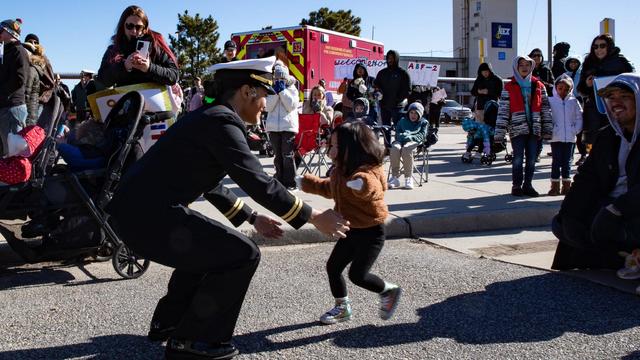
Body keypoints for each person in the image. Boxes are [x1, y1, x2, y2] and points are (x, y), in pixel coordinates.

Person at [106, 56, 350, 359]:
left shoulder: (210, 116)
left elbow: (209, 183)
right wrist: (313, 216)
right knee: (242, 254)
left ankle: (169, 324)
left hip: (139, 214)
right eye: (262, 96)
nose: (264, 105)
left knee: (204, 247)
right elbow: (258, 181)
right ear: (246, 91)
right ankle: (195, 341)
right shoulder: (222, 121)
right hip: (147, 217)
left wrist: (252, 217)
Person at [297, 121, 401, 325]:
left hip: (372, 232)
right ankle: (342, 307)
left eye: (335, 145)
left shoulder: (369, 169)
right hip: (350, 228)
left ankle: (389, 290)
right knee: (333, 267)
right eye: (331, 144)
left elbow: (374, 189)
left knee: (358, 275)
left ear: (351, 148)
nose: (330, 148)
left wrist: (361, 185)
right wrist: (308, 183)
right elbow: (330, 189)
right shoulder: (340, 170)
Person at [551, 74, 640, 292]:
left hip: (632, 209)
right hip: (612, 207)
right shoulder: (607, 136)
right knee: (564, 224)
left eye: (625, 96)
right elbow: (587, 178)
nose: (616, 103)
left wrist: (616, 209)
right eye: (611, 97)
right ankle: (622, 257)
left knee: (617, 226)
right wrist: (570, 213)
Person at [495, 55, 552, 197]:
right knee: (518, 158)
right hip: (517, 129)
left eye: (528, 65)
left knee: (532, 159)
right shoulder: (509, 87)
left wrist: (548, 129)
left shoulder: (539, 85)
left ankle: (528, 185)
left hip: (535, 129)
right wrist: (499, 133)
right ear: (516, 67)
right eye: (521, 65)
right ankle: (516, 185)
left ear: (532, 67)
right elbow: (503, 111)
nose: (525, 67)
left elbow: (545, 108)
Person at [97, 5, 178, 88]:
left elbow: (174, 76)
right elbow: (102, 80)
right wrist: (125, 66)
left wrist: (149, 68)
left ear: (144, 28)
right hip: (126, 99)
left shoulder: (156, 44)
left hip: (152, 99)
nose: (134, 31)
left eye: (138, 27)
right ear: (123, 26)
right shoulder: (114, 49)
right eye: (130, 26)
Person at [577, 33, 634, 150]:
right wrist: (587, 84)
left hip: (618, 106)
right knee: (596, 144)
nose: (599, 49)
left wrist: (618, 83)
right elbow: (580, 89)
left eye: (602, 46)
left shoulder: (621, 60)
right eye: (595, 47)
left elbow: (633, 81)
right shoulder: (588, 62)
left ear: (609, 46)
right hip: (596, 108)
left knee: (618, 140)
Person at [265, 60, 299, 189]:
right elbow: (268, 107)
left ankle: (291, 182)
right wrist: (275, 92)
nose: (279, 80)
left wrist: (283, 91)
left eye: (281, 78)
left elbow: (290, 106)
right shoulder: (270, 89)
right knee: (277, 155)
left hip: (288, 126)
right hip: (274, 127)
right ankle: (279, 179)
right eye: (276, 78)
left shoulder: (292, 88)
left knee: (287, 155)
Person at [547, 75, 583, 196]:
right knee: (556, 162)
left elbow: (579, 117)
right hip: (556, 137)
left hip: (570, 138)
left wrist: (576, 130)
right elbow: (547, 117)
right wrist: (552, 129)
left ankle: (566, 186)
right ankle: (554, 187)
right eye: (560, 88)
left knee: (567, 162)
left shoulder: (573, 102)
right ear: (556, 88)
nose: (563, 91)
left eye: (566, 89)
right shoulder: (551, 101)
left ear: (570, 89)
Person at [0, 18, 29, 157]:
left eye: (1, 30)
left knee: (15, 150)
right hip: (5, 106)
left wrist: (3, 92)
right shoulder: (6, 52)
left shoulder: (18, 51)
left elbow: (20, 79)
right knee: (6, 149)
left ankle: (17, 177)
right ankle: (8, 176)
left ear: (10, 32)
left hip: (13, 107)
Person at [374, 50, 411, 146]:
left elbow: (408, 90)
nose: (390, 60)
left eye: (392, 58)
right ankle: (387, 148)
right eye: (388, 58)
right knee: (385, 128)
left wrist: (398, 99)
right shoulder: (382, 73)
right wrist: (377, 91)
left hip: (398, 107)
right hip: (384, 105)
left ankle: (399, 146)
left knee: (399, 128)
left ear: (396, 59)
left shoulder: (403, 73)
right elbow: (376, 85)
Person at [388, 102, 428, 189]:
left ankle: (408, 178)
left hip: (414, 142)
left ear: (420, 114)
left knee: (407, 149)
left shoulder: (423, 122)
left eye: (416, 113)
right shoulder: (402, 121)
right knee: (394, 148)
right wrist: (403, 137)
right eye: (411, 112)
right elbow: (398, 134)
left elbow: (422, 135)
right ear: (408, 112)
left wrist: (410, 136)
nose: (413, 115)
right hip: (400, 140)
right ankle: (395, 178)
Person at [21, 42, 43, 125]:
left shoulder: (30, 70)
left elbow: (26, 93)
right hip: (31, 111)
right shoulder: (33, 68)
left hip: (27, 112)